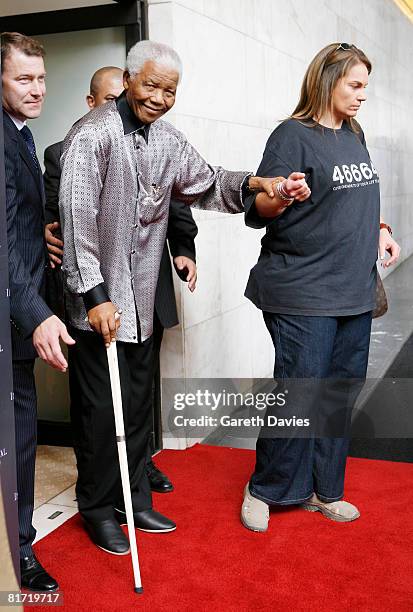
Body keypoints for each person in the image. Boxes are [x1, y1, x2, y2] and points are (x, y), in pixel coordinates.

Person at [59, 39, 310, 555]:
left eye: (169, 90)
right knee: (101, 415)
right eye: (150, 85)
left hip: (143, 304)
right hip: (100, 310)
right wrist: (95, 295)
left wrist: (260, 185)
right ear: (129, 80)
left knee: (136, 411)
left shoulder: (168, 138)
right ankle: (98, 509)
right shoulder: (91, 135)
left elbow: (208, 183)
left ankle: (134, 499)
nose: (158, 97)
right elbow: (76, 219)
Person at [241, 42, 401, 533]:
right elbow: (257, 210)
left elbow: (356, 195)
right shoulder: (292, 136)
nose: (361, 96)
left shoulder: (354, 132)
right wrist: (282, 196)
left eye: (365, 88)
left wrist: (380, 229)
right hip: (301, 289)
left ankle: (322, 489)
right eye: (354, 85)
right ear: (326, 80)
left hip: (353, 287)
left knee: (337, 393)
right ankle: (266, 487)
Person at [43, 66, 197, 493]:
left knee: (136, 396)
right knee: (97, 404)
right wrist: (48, 234)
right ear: (94, 104)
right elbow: (64, 219)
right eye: (112, 101)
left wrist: (185, 248)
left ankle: (137, 473)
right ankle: (101, 491)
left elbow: (177, 201)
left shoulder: (159, 143)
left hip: (147, 290)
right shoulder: (68, 150)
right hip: (96, 297)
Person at [1, 31, 75, 591]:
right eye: (23, 78)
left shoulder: (21, 136)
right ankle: (17, 555)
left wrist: (40, 234)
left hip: (18, 310)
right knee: (16, 440)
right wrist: (36, 312)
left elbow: (14, 223)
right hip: (13, 317)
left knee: (20, 439)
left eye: (41, 78)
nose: (36, 89)